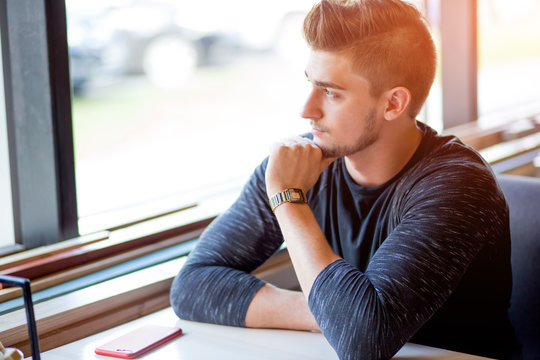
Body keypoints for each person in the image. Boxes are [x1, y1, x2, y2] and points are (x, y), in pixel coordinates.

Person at [170, 0, 518, 359]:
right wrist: (329, 312)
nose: (306, 110)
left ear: (394, 104)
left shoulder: (458, 186)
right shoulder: (299, 162)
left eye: (331, 92)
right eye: (310, 83)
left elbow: (364, 340)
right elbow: (191, 287)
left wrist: (289, 201)